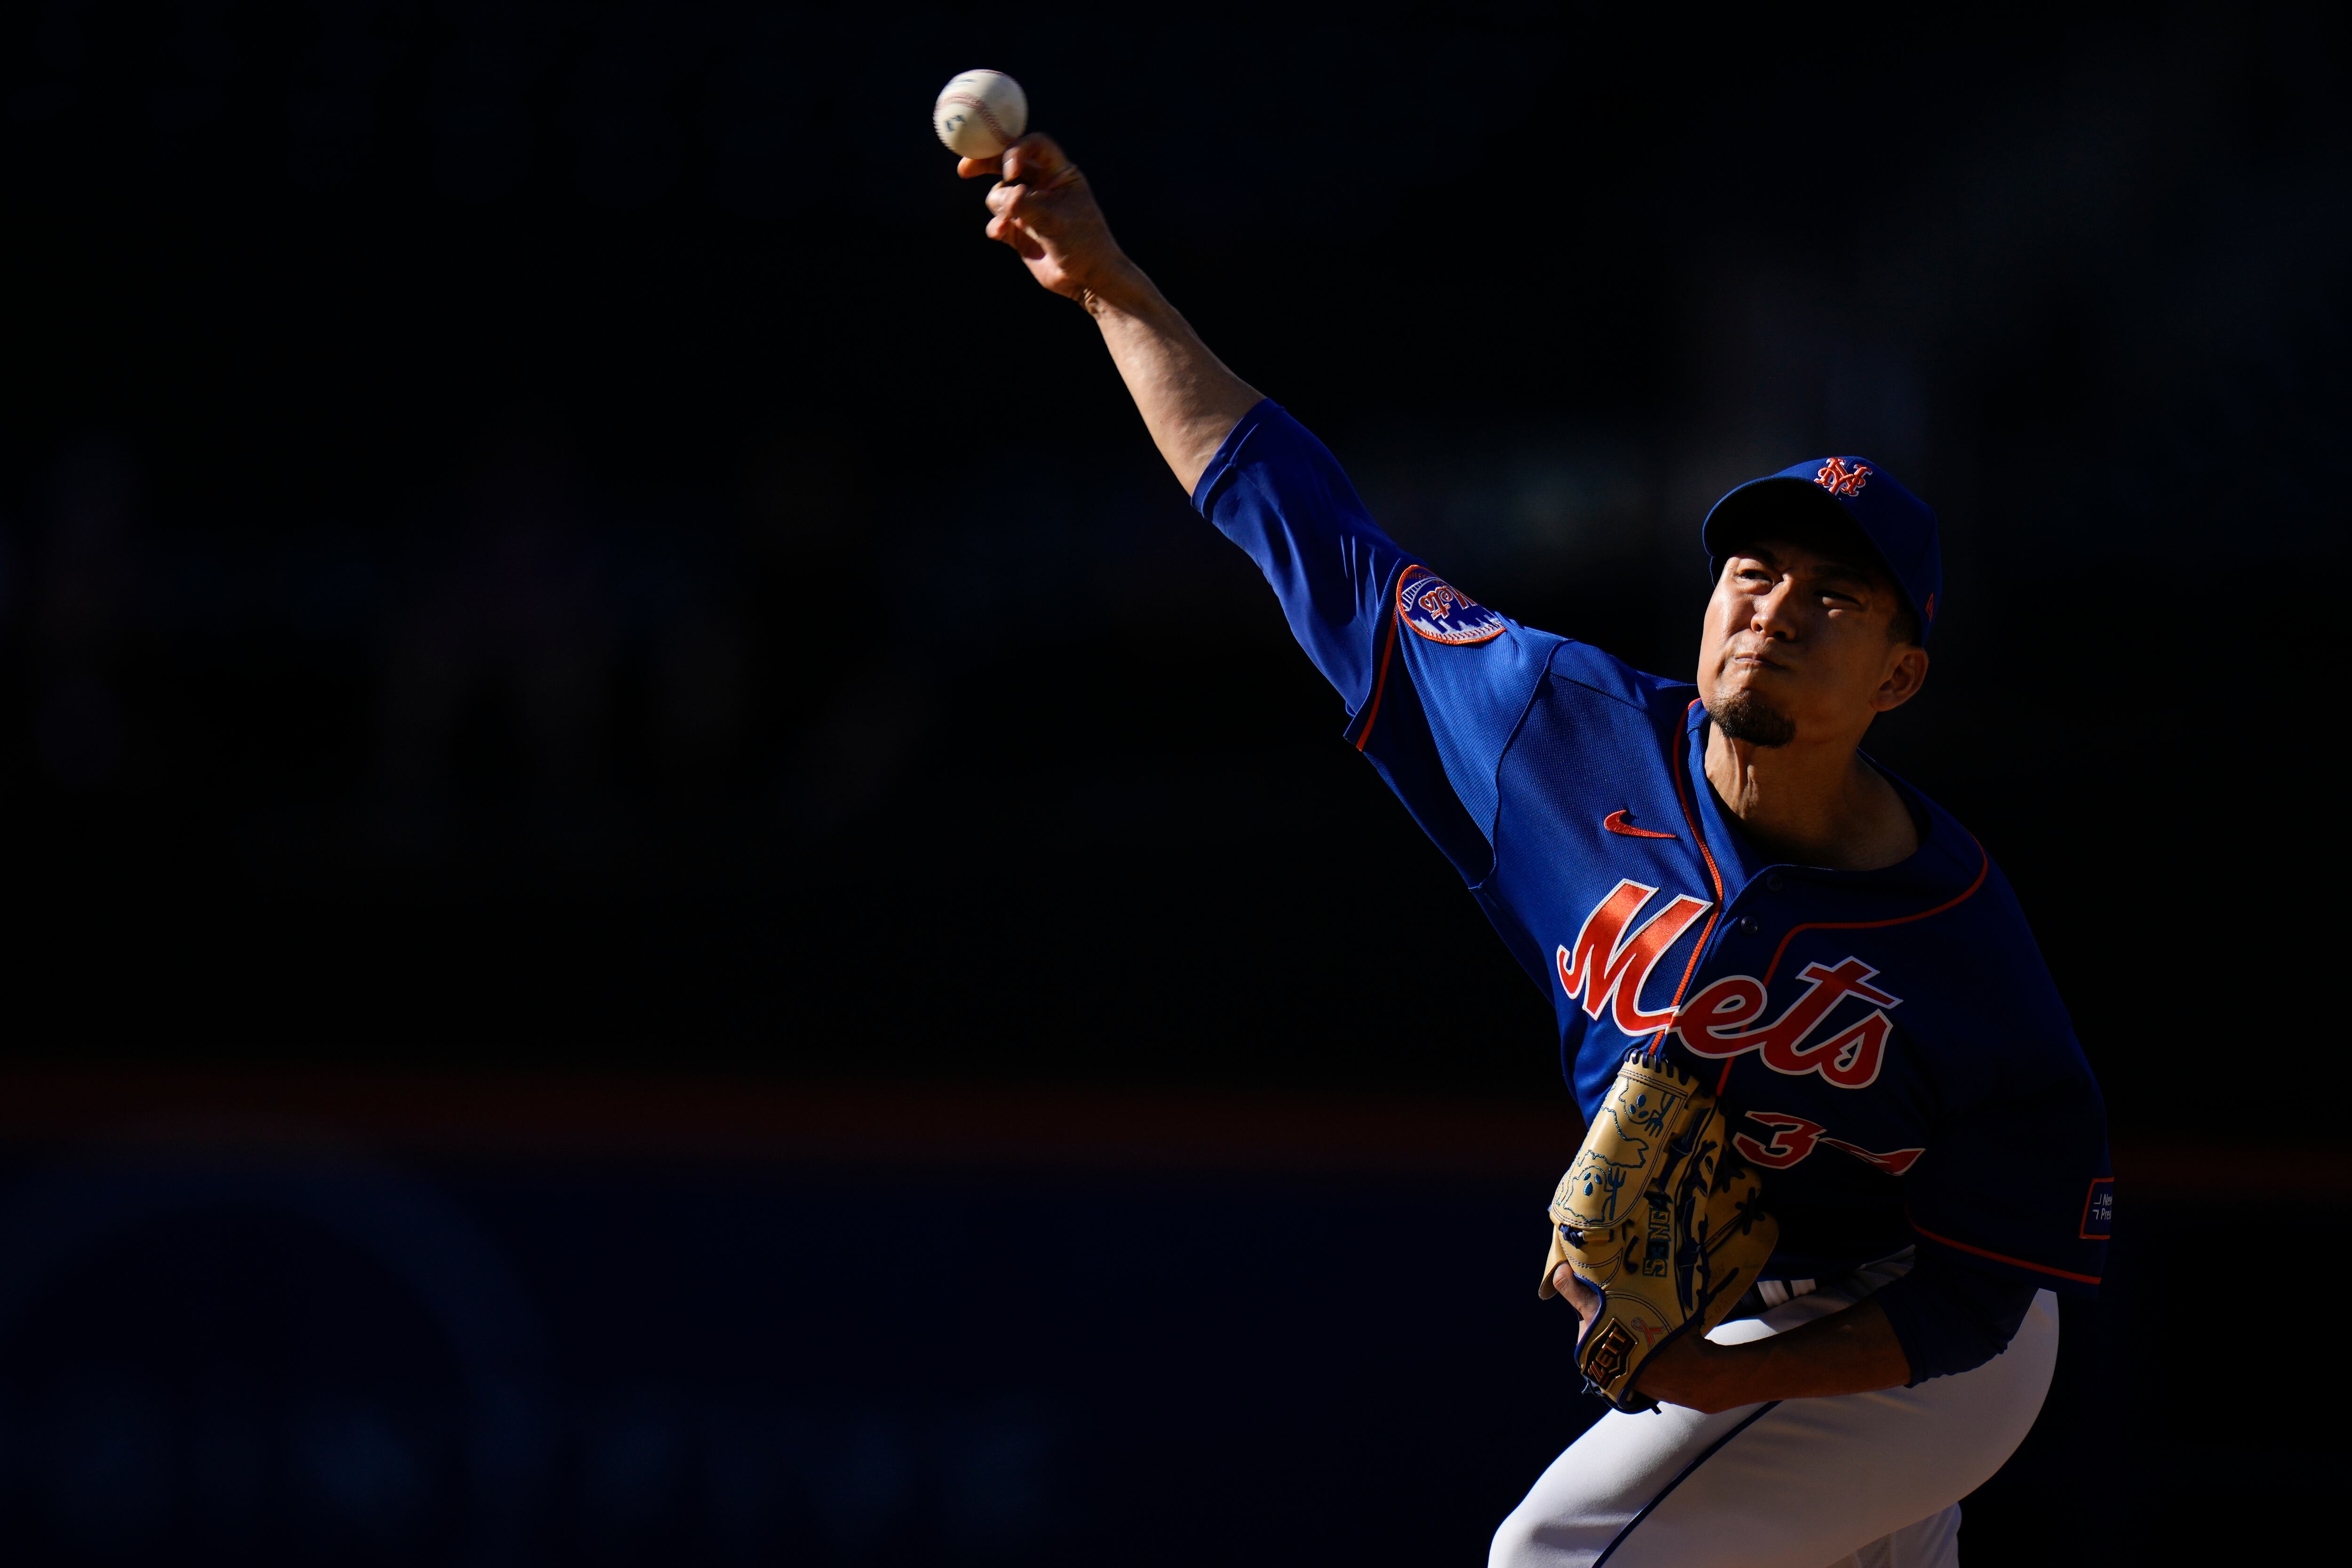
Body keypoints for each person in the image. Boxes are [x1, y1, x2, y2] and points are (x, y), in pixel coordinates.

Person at [954, 133, 2110, 1568]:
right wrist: (1112, 288)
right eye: (1754, 571)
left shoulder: (1959, 941)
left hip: (1921, 1350)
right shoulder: (1554, 730)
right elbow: (1304, 525)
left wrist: (1722, 1381)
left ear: (1899, 677)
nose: (1775, 607)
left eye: (1836, 597)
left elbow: (1983, 1297)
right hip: (1764, 1321)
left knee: (1557, 1555)